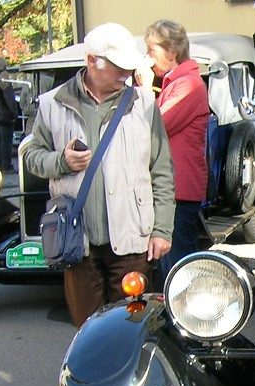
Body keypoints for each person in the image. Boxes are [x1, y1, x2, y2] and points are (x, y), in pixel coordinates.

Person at [23, 22, 174, 328]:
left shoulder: (143, 103)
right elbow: (30, 157)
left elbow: (161, 168)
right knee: (87, 330)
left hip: (133, 240)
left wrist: (162, 229)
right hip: (78, 242)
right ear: (92, 61)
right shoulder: (52, 104)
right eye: (119, 67)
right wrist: (61, 161)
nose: (126, 74)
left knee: (134, 328)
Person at [144, 19, 209, 276]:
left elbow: (155, 127)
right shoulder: (173, 83)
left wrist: (143, 87)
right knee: (168, 270)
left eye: (151, 50)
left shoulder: (189, 85)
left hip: (179, 192)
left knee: (179, 273)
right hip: (171, 191)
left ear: (172, 52)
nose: (147, 57)